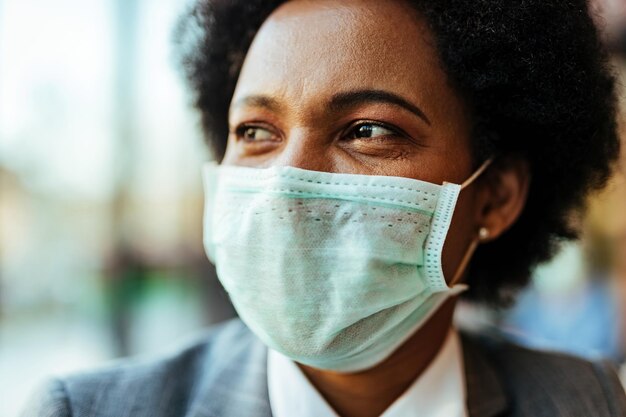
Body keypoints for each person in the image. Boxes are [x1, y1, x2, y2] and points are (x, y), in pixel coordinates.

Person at [22, 0, 626, 416]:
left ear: (495, 196)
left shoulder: (590, 401)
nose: (286, 187)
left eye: (366, 130)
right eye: (256, 131)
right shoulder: (83, 409)